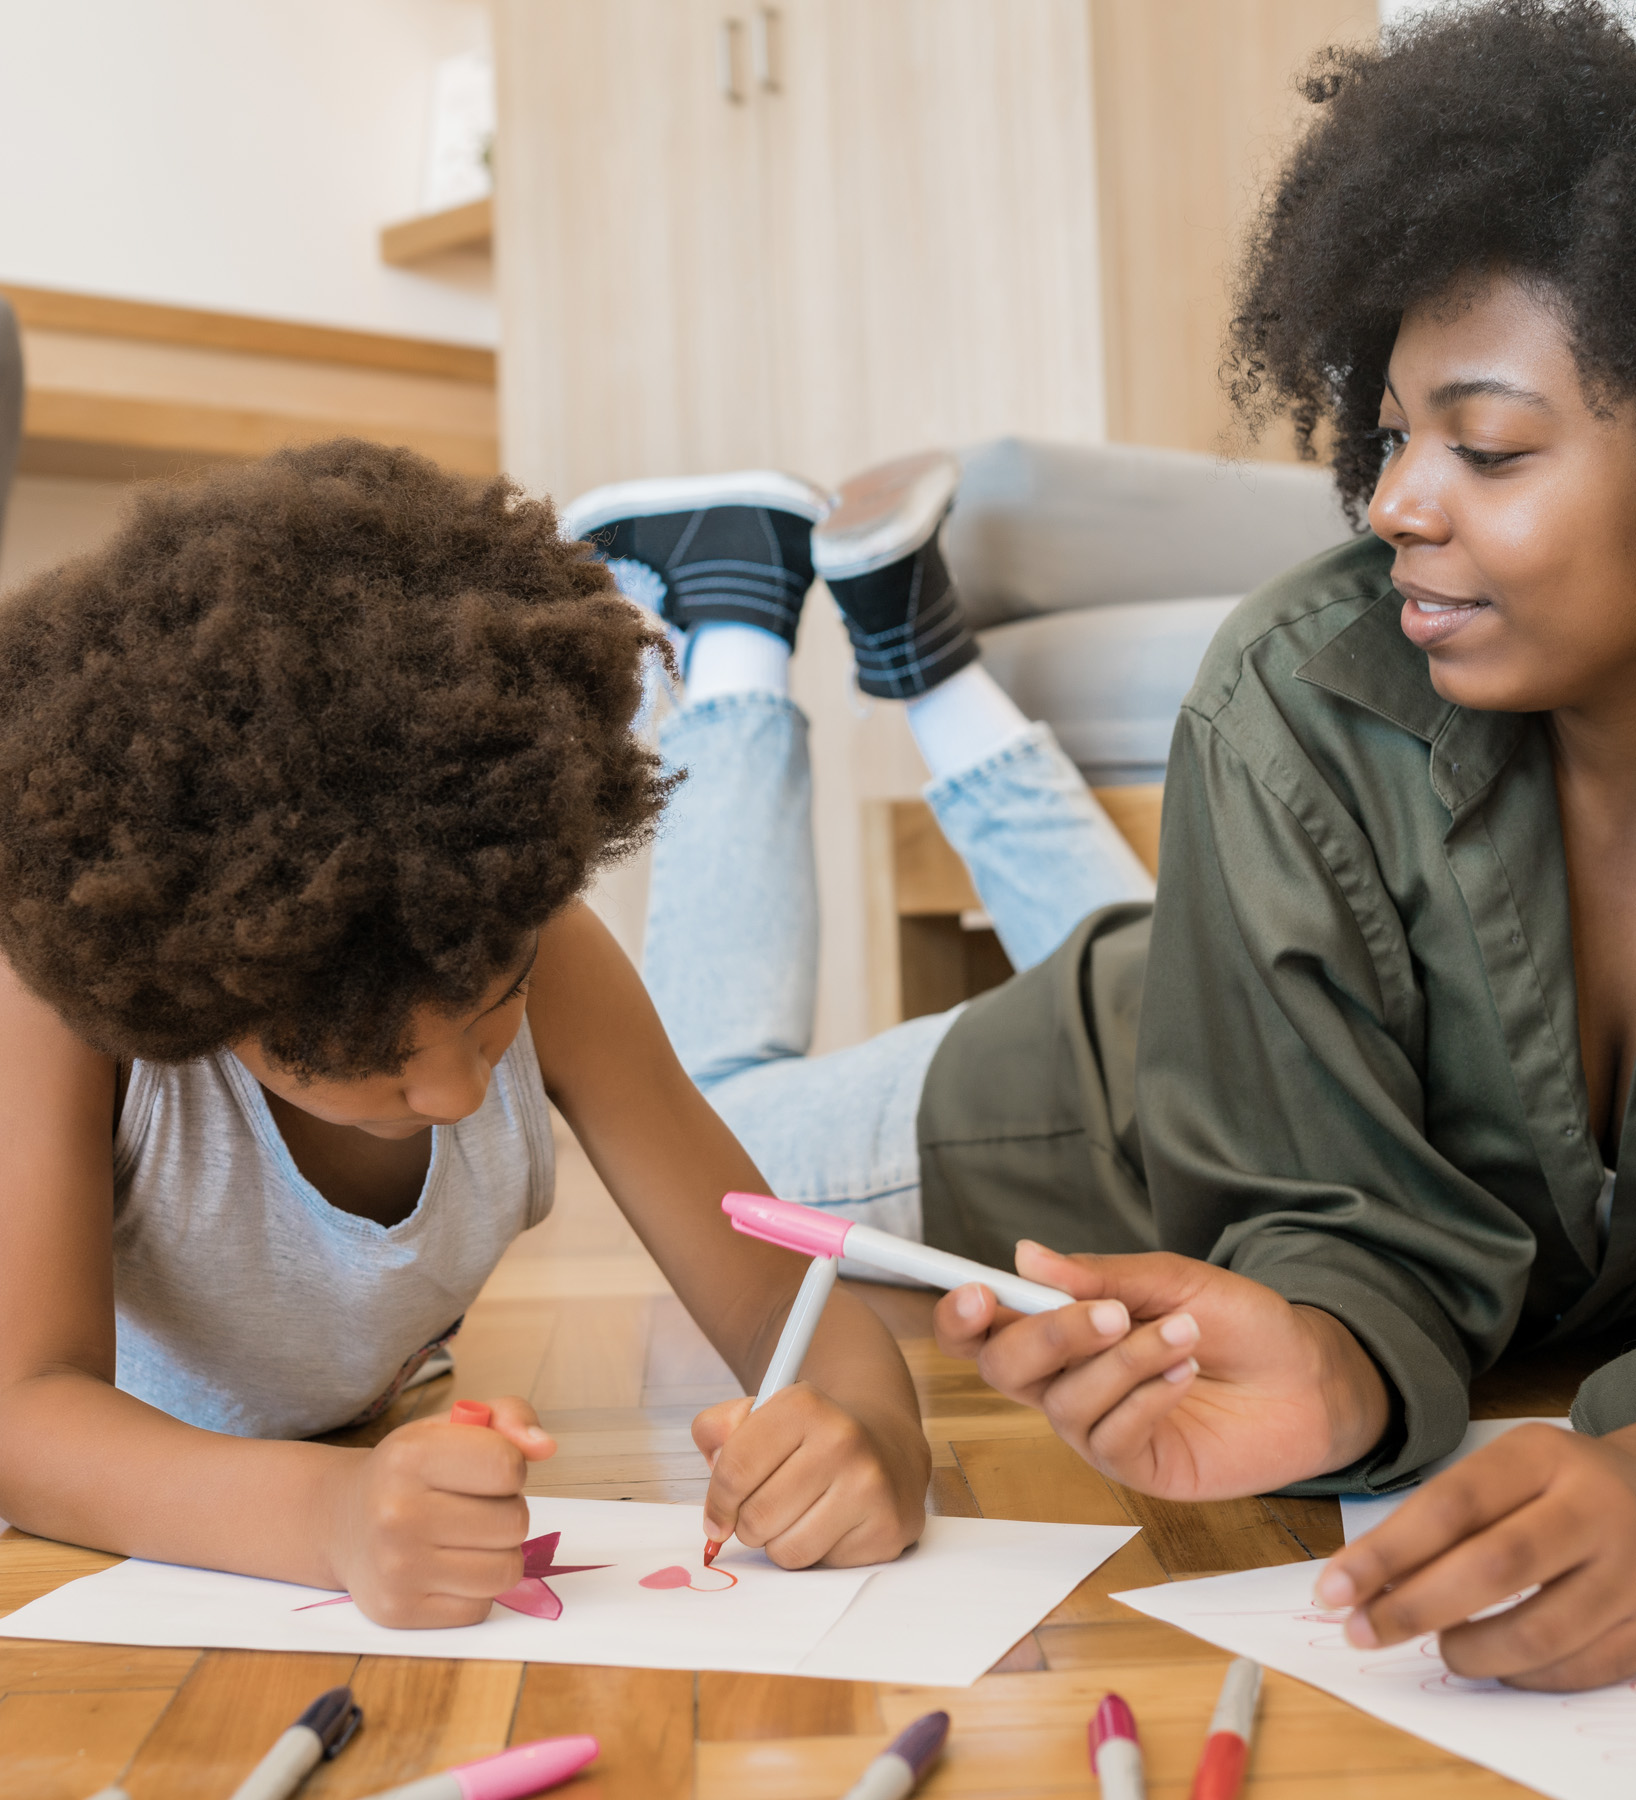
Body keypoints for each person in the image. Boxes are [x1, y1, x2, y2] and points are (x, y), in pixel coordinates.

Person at [575, 0, 1636, 1693]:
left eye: (1487, 448)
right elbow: (1331, 1220)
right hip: (1115, 1099)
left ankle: (925, 665)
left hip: (1250, 967)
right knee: (709, 1145)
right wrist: (1328, 1354)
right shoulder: (1303, 687)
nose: (1395, 504)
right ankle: (726, 627)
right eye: (1389, 437)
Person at [0, 439, 931, 1628]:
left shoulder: (550, 954)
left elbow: (776, 1307)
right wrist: (331, 1518)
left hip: (349, 1439)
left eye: (496, 1019)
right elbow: (27, 1412)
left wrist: (873, 1444)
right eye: (365, 1063)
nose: (450, 1094)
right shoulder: (68, 1012)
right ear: (195, 1001)